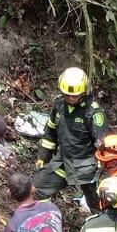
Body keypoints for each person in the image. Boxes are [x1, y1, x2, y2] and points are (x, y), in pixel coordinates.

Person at [33, 67, 108, 213]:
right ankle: (47, 219)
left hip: (86, 166)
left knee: (98, 207)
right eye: (67, 95)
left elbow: (102, 142)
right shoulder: (59, 105)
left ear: (83, 93)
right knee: (36, 189)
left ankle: (98, 228)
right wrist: (43, 157)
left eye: (74, 96)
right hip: (63, 162)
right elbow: (50, 134)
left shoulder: (93, 112)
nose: (70, 98)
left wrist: (100, 166)